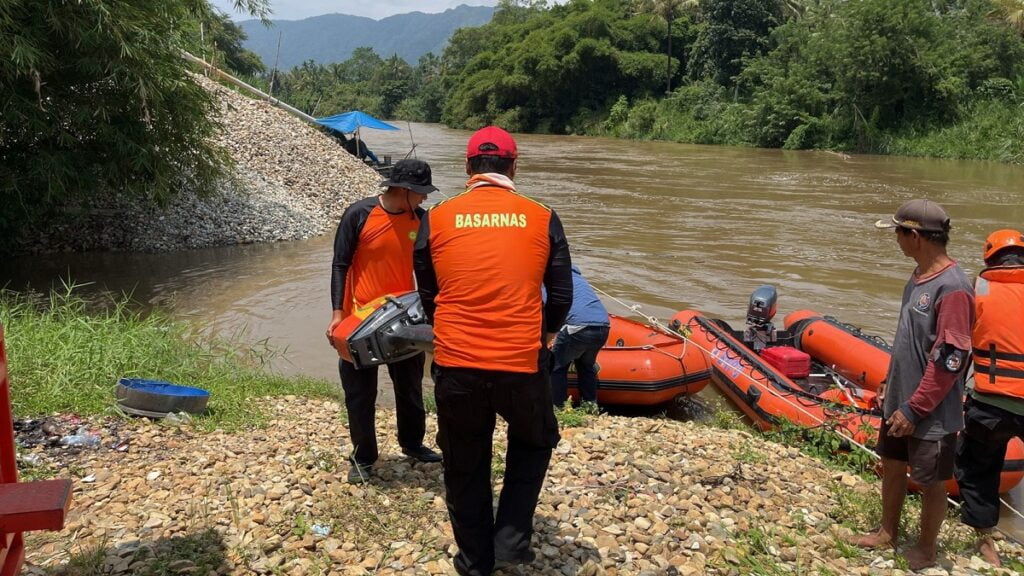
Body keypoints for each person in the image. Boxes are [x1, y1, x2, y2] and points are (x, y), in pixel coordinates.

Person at [413, 126, 573, 576]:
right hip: (520, 362)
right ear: (514, 166)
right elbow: (561, 295)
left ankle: (475, 561)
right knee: (536, 438)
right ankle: (511, 538)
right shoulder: (542, 215)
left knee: (464, 459)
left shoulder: (438, 216)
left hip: (456, 361)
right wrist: (541, 334)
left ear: (468, 168)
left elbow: (428, 293)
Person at [846, 199, 974, 571]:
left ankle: (927, 549)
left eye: (898, 233)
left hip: (929, 411)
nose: (896, 240)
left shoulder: (952, 288)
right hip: (901, 398)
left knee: (931, 480)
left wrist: (915, 408)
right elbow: (908, 340)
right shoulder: (918, 277)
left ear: (915, 236)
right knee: (892, 463)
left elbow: (951, 359)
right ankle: (887, 530)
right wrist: (891, 381)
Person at [327, 158, 442, 484]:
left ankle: (413, 443)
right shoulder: (359, 215)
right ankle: (363, 456)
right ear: (403, 190)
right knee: (360, 394)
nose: (424, 199)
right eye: (420, 193)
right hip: (359, 319)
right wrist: (337, 314)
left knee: (410, 388)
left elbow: (430, 271)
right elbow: (340, 265)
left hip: (405, 318)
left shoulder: (421, 221)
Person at [955, 229, 1024, 567]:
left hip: (991, 401)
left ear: (989, 258)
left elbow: (962, 345)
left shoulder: (977, 288)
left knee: (978, 468)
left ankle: (986, 543)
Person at [550, 265, 610, 408]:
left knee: (556, 366)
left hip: (578, 327)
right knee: (586, 366)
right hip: (603, 326)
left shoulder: (552, 280)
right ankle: (590, 406)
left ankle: (558, 407)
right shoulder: (579, 279)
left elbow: (547, 308)